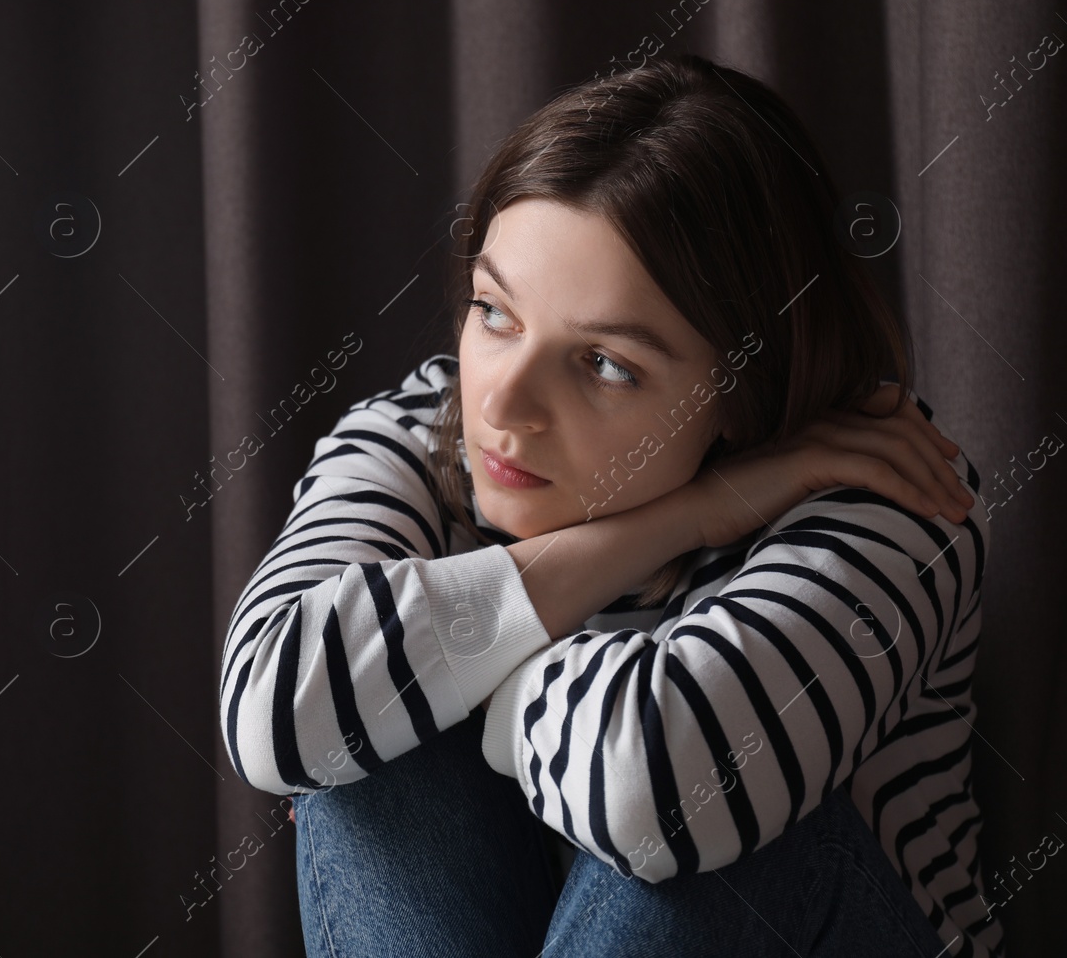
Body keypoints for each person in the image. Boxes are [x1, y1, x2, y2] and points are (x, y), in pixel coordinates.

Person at [217, 53, 1003, 957]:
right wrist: (686, 515)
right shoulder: (416, 434)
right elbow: (270, 704)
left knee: (723, 824)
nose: (503, 406)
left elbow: (664, 789)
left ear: (742, 396)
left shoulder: (887, 489)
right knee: (364, 744)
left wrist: (453, 658)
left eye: (604, 365)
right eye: (495, 313)